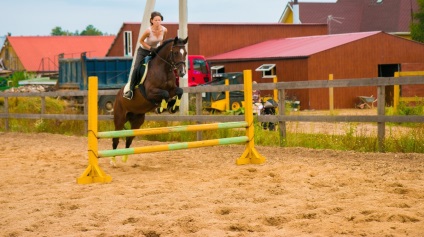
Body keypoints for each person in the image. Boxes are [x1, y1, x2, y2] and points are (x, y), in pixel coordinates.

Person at [123, 11, 168, 100]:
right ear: (151, 21)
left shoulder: (165, 30)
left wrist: (160, 50)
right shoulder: (148, 31)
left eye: (159, 20)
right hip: (143, 51)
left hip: (155, 51)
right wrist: (150, 48)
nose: (158, 22)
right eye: (156, 20)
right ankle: (130, 90)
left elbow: (162, 41)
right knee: (136, 68)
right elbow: (141, 41)